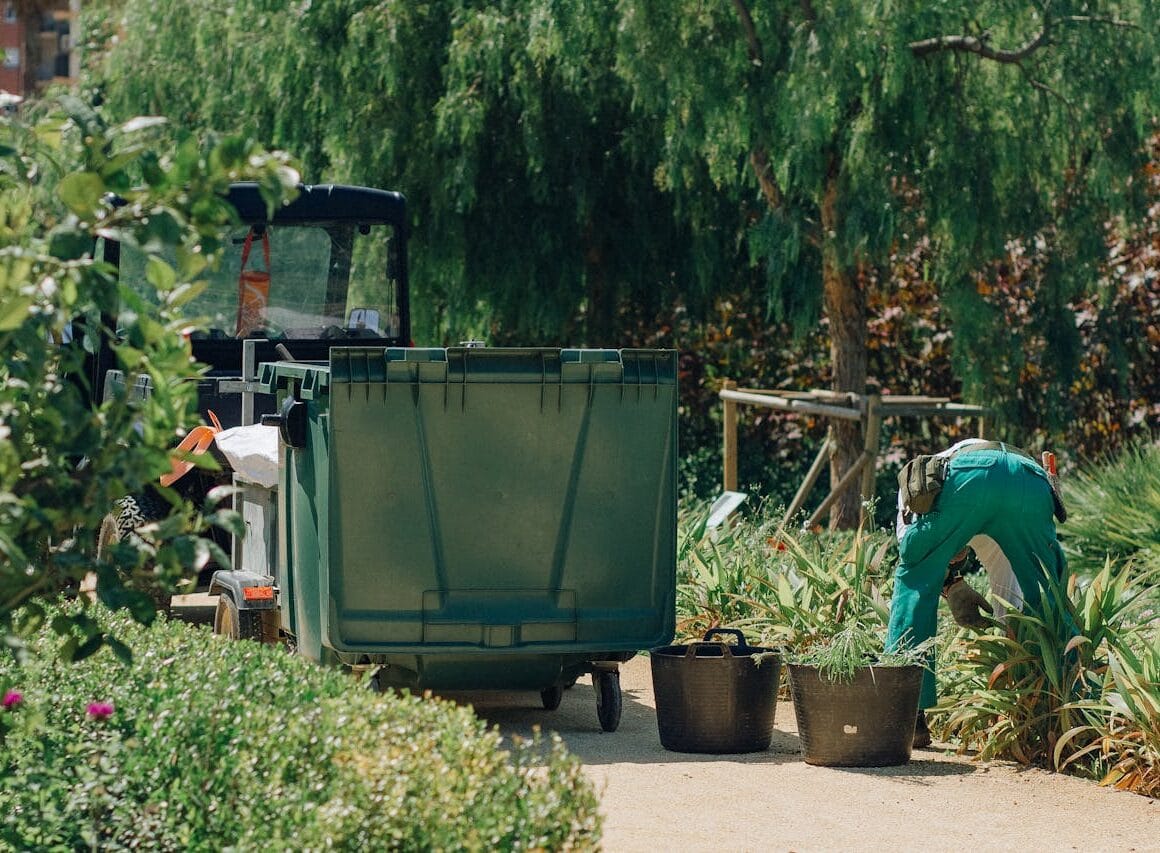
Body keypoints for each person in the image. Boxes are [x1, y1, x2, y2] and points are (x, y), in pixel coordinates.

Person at [885, 439, 1067, 748]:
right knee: (1044, 597)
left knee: (914, 582)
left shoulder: (918, 492)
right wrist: (953, 585)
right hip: (1029, 481)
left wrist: (944, 580)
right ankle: (1056, 710)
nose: (954, 559)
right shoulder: (991, 536)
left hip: (969, 479)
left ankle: (906, 717)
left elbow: (918, 563)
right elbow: (1011, 601)